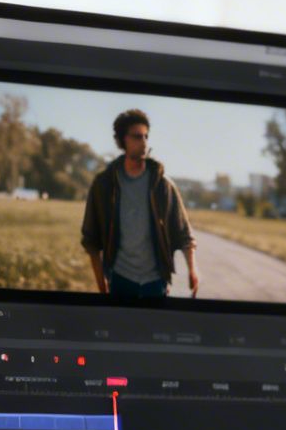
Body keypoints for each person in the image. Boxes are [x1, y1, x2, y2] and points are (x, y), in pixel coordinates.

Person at [80, 108, 198, 302]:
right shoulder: (104, 185)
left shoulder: (163, 185)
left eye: (146, 136)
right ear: (122, 141)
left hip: (155, 282)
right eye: (137, 137)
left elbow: (185, 234)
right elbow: (91, 241)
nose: (143, 142)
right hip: (120, 279)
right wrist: (102, 286)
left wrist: (193, 271)